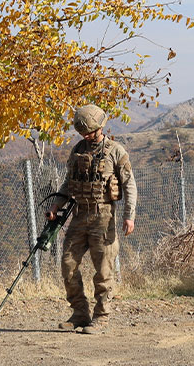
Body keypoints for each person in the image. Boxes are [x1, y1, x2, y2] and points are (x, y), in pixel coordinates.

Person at [50, 104, 137, 334]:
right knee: (68, 264)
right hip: (79, 215)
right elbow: (69, 183)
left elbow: (129, 185)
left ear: (100, 127)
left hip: (104, 216)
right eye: (82, 133)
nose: (86, 136)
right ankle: (80, 313)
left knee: (103, 270)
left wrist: (129, 216)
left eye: (89, 132)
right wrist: (56, 205)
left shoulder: (115, 151)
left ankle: (101, 317)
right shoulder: (78, 149)